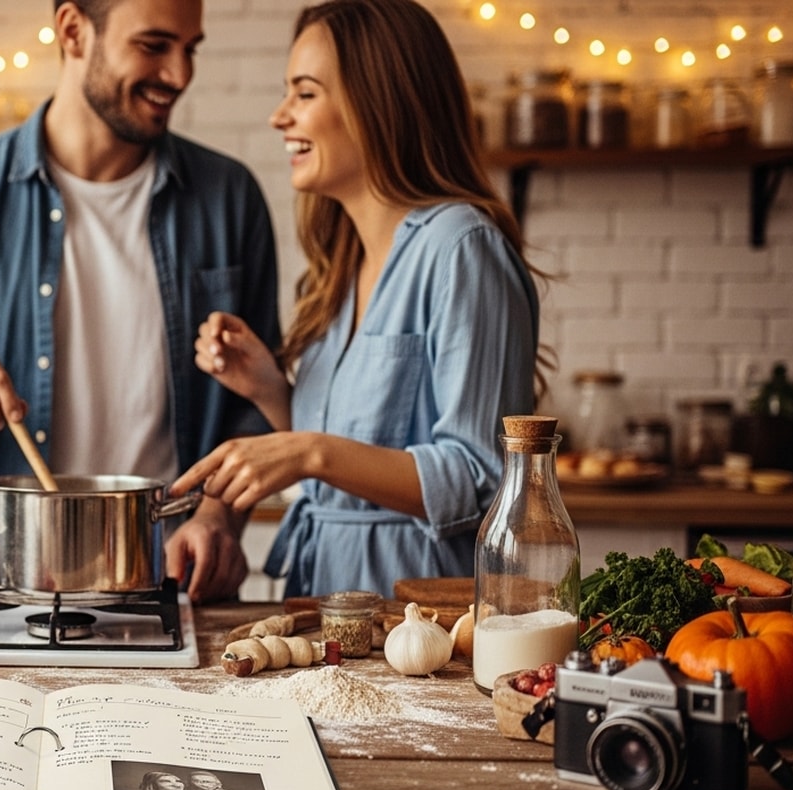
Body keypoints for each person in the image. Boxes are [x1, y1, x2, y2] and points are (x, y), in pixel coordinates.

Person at [0, 0, 281, 601]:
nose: (180, 74)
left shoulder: (229, 198)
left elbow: (255, 409)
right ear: (74, 31)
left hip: (170, 587)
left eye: (191, 48)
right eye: (154, 46)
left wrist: (216, 517)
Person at [170, 0, 544, 599]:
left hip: (419, 618)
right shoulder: (344, 263)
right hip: (330, 606)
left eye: (305, 93)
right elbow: (362, 455)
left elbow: (486, 479)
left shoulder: (461, 248)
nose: (279, 116)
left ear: (379, 106)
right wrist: (271, 390)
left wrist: (309, 452)